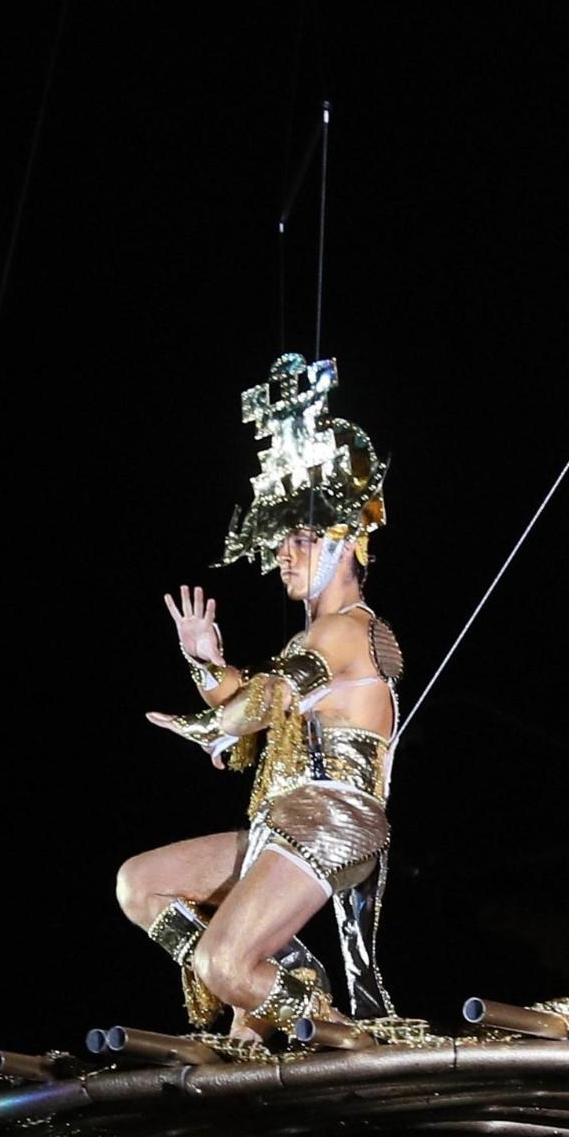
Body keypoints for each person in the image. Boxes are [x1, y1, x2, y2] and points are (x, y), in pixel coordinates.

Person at [115, 353, 401, 1039]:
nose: (285, 555)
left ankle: (332, 1032)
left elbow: (265, 700)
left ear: (345, 541)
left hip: (332, 821)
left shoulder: (351, 630)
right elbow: (252, 700)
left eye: (302, 539)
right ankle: (283, 987)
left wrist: (205, 723)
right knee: (140, 883)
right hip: (285, 821)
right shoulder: (313, 643)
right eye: (281, 543)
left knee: (225, 963)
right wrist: (206, 665)